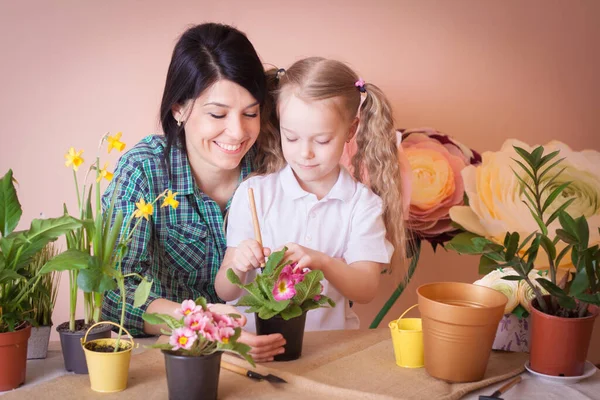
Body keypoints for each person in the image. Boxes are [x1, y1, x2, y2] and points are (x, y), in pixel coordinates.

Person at [101, 23, 285, 362]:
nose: (237, 131)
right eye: (217, 113)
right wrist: (206, 323)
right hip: (168, 357)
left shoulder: (272, 167)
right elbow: (116, 296)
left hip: (268, 352)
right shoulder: (143, 172)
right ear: (179, 109)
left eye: (251, 113)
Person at [215, 57, 406, 331]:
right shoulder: (255, 193)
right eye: (291, 137)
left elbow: (366, 289)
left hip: (328, 351)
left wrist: (323, 261)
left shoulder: (362, 205)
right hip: (256, 344)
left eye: (322, 140)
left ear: (351, 130)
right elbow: (225, 291)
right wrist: (238, 265)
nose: (305, 153)